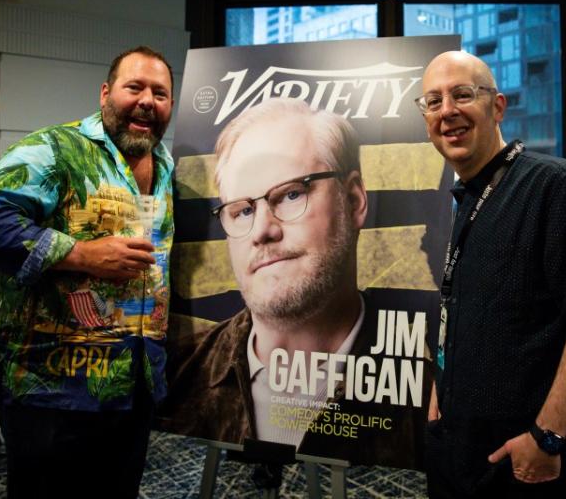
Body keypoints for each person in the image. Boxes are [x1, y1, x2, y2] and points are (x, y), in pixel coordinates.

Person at [160, 98, 429, 470]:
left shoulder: (428, 398)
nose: (263, 231)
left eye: (290, 194)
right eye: (242, 211)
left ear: (353, 201)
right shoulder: (174, 380)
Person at [0, 46, 176, 499]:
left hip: (134, 385)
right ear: (105, 93)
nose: (147, 101)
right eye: (134, 87)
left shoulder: (170, 166)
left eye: (160, 93)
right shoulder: (56, 148)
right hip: (52, 392)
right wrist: (80, 254)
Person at [418, 51, 566, 498]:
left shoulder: (557, 187)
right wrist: (443, 389)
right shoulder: (469, 199)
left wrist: (547, 435)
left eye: (462, 95)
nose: (447, 111)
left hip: (526, 463)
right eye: (433, 102)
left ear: (497, 107)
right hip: (460, 452)